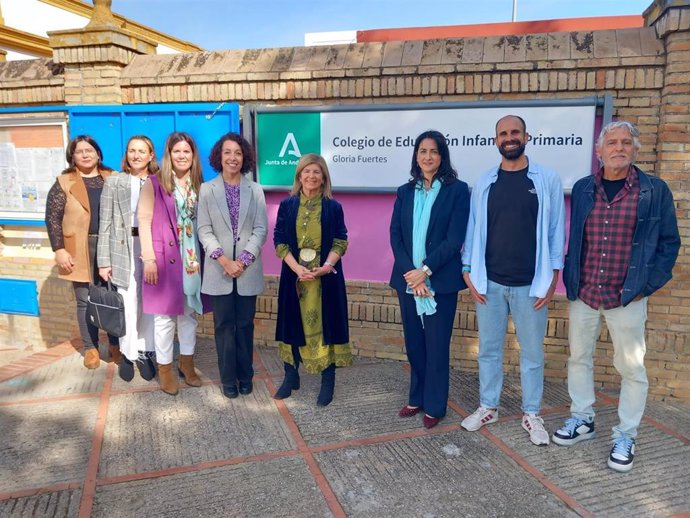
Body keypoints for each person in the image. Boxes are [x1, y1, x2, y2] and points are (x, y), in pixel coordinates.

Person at [552, 121, 680, 472]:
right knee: (579, 358)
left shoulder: (653, 190)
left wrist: (646, 286)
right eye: (612, 143)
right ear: (599, 150)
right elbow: (575, 238)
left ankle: (626, 434)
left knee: (632, 368)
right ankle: (582, 418)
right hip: (585, 292)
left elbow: (670, 243)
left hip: (627, 297)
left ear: (635, 150)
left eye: (626, 143)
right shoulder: (582, 189)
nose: (619, 148)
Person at [461, 115, 565, 445]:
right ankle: (488, 406)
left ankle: (532, 413)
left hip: (530, 285)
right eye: (503, 133)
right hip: (489, 282)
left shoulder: (547, 179)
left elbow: (555, 232)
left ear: (526, 137)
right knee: (488, 351)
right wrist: (467, 269)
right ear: (495, 141)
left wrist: (553, 279)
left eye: (515, 132)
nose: (509, 138)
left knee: (532, 352)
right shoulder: (485, 182)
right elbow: (473, 228)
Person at [390, 130, 470, 429]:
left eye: (433, 151)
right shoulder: (404, 191)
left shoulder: (458, 190)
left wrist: (425, 271)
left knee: (437, 345)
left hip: (440, 282)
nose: (427, 157)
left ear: (442, 155)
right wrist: (412, 275)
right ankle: (416, 397)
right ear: (416, 155)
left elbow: (454, 239)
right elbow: (395, 235)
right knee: (414, 343)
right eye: (422, 151)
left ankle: (435, 404)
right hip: (408, 282)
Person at [273, 153, 350, 407]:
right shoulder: (288, 205)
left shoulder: (333, 207)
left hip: (324, 281)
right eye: (307, 171)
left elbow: (341, 240)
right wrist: (296, 268)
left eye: (317, 172)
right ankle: (290, 376)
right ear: (299, 175)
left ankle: (328, 382)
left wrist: (327, 266)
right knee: (291, 325)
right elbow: (280, 241)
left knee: (328, 329)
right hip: (294, 279)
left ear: (324, 176)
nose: (311, 176)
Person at [198, 133, 268, 399]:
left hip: (247, 271)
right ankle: (228, 379)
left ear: (244, 157)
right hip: (219, 270)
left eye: (238, 153)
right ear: (220, 156)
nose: (232, 158)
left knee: (245, 325)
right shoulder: (207, 189)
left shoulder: (256, 189)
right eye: (227, 152)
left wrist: (244, 260)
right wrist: (225, 261)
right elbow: (204, 230)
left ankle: (245, 375)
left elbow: (260, 229)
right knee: (224, 327)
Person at [45, 135, 119, 369]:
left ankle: (116, 344)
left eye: (90, 150)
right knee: (84, 300)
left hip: (110, 246)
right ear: (72, 156)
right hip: (79, 248)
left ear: (98, 154)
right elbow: (52, 218)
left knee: (113, 296)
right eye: (79, 151)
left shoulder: (113, 178)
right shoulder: (64, 182)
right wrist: (59, 250)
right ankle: (91, 348)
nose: (85, 155)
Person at [138, 132, 204, 396]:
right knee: (164, 318)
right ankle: (165, 368)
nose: (182, 156)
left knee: (189, 315)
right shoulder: (153, 183)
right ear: (169, 155)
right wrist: (149, 258)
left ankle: (187, 363)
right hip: (164, 260)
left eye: (186, 152)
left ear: (193, 156)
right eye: (177, 151)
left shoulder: (200, 184)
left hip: (192, 261)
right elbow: (143, 221)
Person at [97, 135, 158, 382]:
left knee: (149, 304)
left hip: (152, 248)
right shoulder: (114, 182)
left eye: (142, 151)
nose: (136, 155)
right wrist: (104, 260)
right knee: (127, 303)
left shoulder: (158, 181)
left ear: (151, 155)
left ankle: (145, 351)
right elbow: (105, 223)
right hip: (123, 249)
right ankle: (127, 353)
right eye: (132, 150)